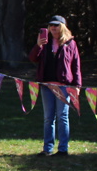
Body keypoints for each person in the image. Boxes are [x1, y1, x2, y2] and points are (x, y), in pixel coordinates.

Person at [28, 15, 82, 156]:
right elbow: (33, 58)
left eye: (56, 25)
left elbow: (76, 65)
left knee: (62, 117)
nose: (53, 27)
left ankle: (63, 149)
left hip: (63, 86)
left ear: (62, 27)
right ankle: (47, 149)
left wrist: (77, 85)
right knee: (48, 118)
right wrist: (38, 45)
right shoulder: (45, 42)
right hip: (46, 85)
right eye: (51, 25)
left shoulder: (70, 43)